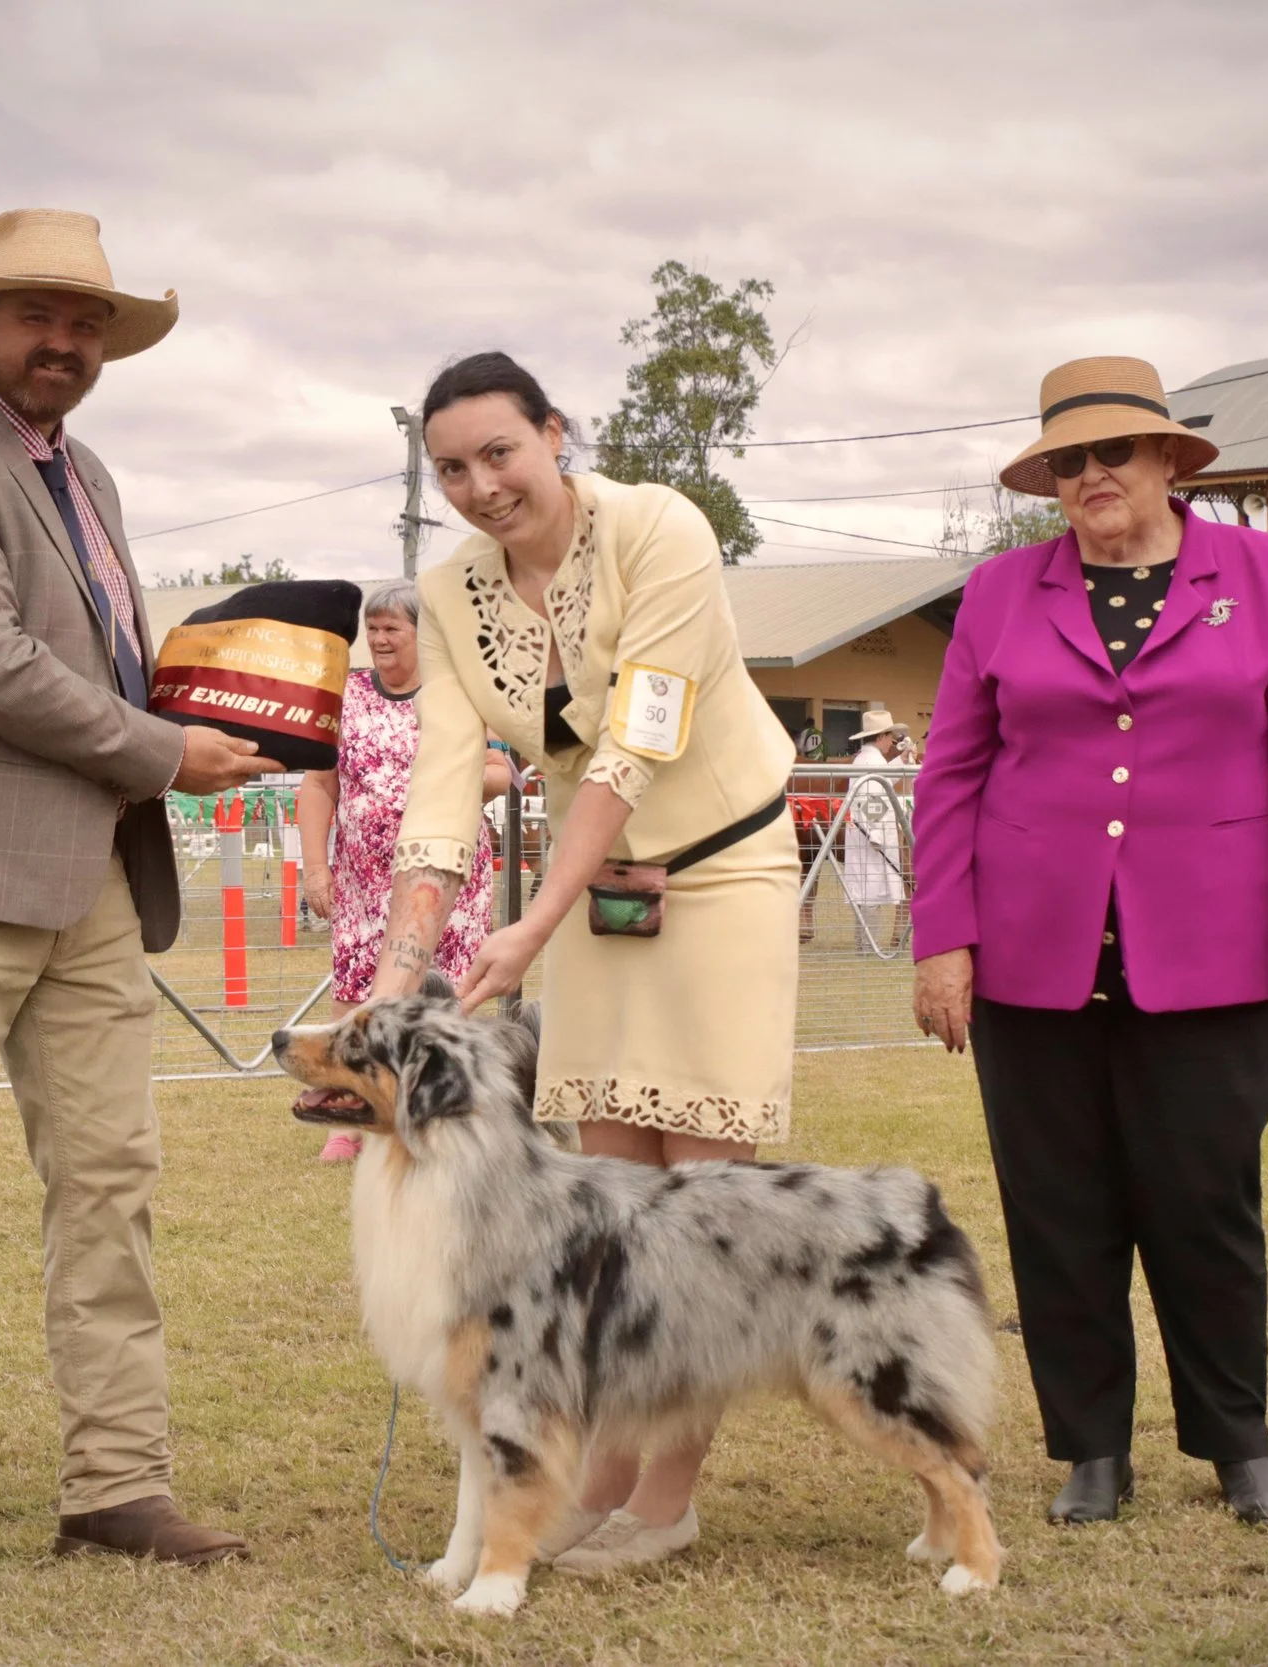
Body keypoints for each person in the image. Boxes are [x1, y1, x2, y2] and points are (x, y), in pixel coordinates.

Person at [0, 210, 274, 1594]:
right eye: (38, 316)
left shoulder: (84, 470)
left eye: (87, 324)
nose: (66, 343)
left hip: (88, 878)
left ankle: (117, 1482)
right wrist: (166, 752)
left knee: (111, 1185)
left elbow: (103, 661)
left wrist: (221, 704)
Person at [370, 350, 800, 1573]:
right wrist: (398, 976)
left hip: (719, 870)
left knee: (701, 1208)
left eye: (499, 452)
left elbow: (637, 738)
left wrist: (537, 919)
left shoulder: (661, 528)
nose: (478, 485)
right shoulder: (449, 589)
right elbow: (444, 783)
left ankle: (665, 1496)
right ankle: (599, 1474)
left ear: (555, 433)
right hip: (602, 894)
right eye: (450, 466)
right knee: (605, 1206)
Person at [909, 356, 1268, 1529]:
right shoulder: (1001, 591)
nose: (1092, 474)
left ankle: (1236, 1438)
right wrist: (941, 940)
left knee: (1204, 1201)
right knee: (1056, 1205)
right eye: (1070, 459)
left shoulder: (1261, 575)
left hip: (1212, 947)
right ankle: (1090, 1447)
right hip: (1030, 953)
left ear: (1167, 460)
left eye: (1115, 452)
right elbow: (950, 770)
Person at [295, 579, 507, 1161]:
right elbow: (317, 786)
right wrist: (317, 870)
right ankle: (346, 1116)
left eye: (394, 628)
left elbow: (498, 772)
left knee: (448, 993)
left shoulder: (453, 694)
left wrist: (449, 779)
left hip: (445, 879)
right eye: (374, 628)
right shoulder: (346, 695)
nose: (380, 638)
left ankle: (446, 1109)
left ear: (423, 634)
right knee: (356, 991)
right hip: (363, 881)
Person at [841, 707, 909, 947]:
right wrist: (877, 833)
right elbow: (869, 800)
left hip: (866, 834)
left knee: (869, 889)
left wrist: (901, 760)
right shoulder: (870, 760)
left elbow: (883, 780)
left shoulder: (868, 758)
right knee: (870, 890)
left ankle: (866, 943)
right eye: (890, 736)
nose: (892, 741)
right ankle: (867, 945)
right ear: (880, 737)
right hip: (870, 837)